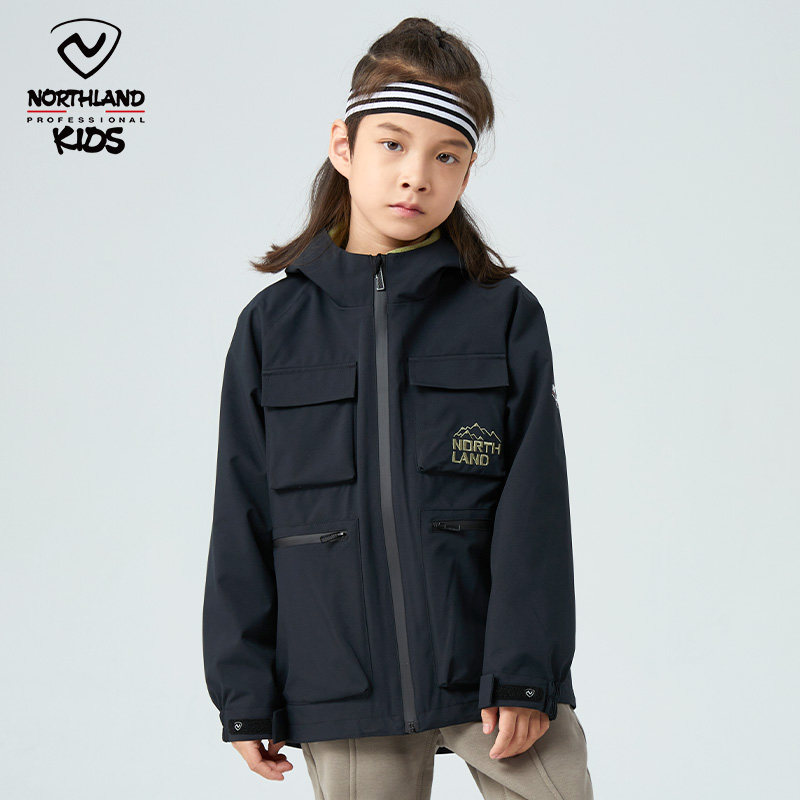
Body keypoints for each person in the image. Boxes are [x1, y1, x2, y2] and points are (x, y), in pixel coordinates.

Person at [202, 16, 593, 799]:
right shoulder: (272, 329)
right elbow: (242, 512)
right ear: (343, 146)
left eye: (446, 156)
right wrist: (244, 691)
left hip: (490, 674)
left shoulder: (502, 315)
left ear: (466, 174)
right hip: (339, 683)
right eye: (392, 144)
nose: (416, 176)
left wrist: (526, 671)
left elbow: (536, 506)